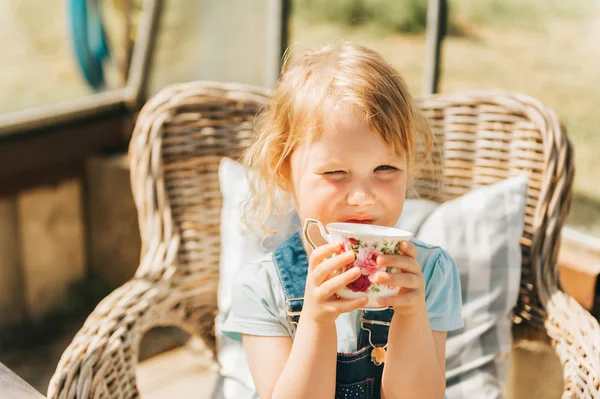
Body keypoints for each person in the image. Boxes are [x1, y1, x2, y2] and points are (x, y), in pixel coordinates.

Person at [221, 42, 463, 399]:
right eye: (336, 172)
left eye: (386, 168)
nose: (364, 197)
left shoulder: (430, 273)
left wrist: (412, 316)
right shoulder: (262, 288)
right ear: (284, 170)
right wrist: (316, 320)